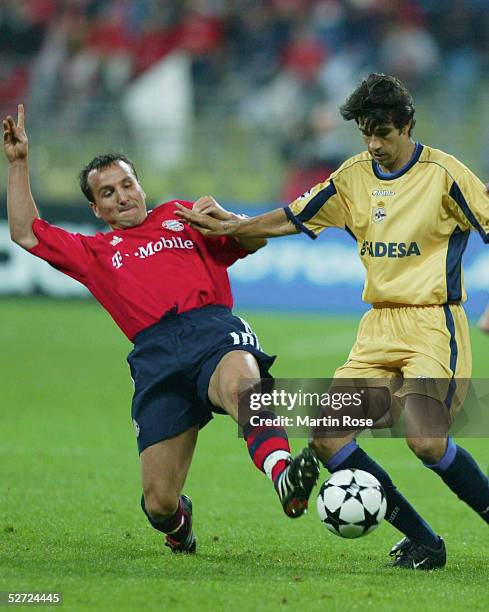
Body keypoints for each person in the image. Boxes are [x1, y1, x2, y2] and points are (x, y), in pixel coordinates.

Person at [176, 73, 489, 569]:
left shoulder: (445, 174)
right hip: (377, 328)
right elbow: (293, 217)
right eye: (366, 132)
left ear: (408, 125)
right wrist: (235, 226)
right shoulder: (352, 177)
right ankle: (425, 541)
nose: (373, 143)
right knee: (327, 437)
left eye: (383, 132)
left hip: (434, 323)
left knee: (426, 439)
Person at [2, 104, 320, 554]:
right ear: (95, 208)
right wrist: (19, 164)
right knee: (158, 503)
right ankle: (180, 526)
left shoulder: (179, 215)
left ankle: (283, 473)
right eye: (108, 192)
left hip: (211, 330)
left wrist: (231, 221)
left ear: (141, 186)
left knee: (242, 388)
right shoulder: (93, 252)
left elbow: (252, 240)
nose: (122, 196)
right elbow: (26, 233)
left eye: (127, 184)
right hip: (155, 357)